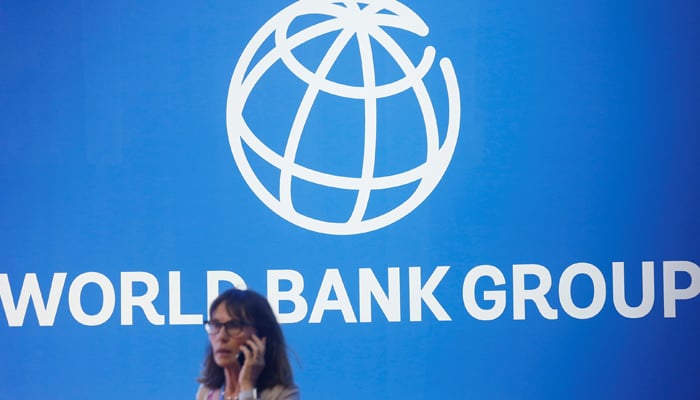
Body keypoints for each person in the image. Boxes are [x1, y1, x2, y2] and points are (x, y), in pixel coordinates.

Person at [196, 288, 300, 400]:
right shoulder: (206, 393)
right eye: (216, 324)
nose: (221, 336)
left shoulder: (283, 394)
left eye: (234, 325)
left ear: (260, 337)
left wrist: (247, 386)